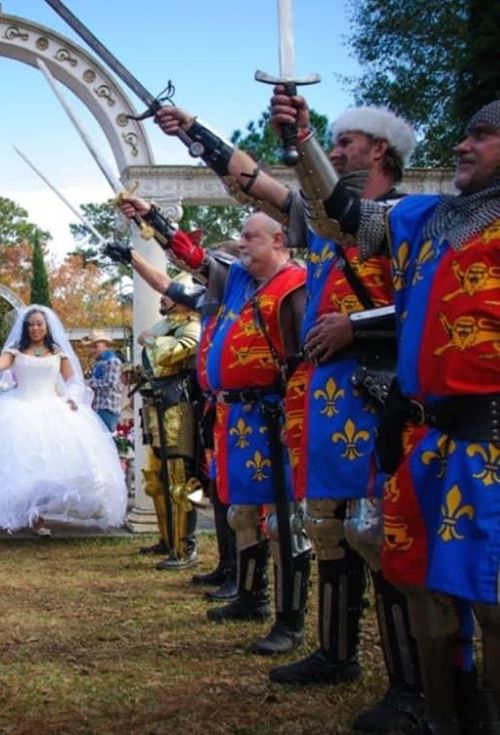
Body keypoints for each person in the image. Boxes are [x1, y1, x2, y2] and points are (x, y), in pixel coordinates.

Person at [149, 102, 426, 726]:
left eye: (348, 143)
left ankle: (412, 683)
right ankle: (334, 650)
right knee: (327, 526)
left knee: (378, 532)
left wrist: (356, 324)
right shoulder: (324, 223)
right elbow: (253, 182)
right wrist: (194, 133)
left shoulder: (409, 218)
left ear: (380, 151)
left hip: (378, 390)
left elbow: (424, 300)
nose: (337, 152)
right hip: (325, 398)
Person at [272, 90, 500, 733]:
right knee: (421, 582)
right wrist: (305, 143)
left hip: (495, 437)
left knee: (494, 599)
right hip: (428, 437)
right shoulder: (428, 218)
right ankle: (446, 719)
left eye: (483, 136)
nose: (463, 145)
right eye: (466, 134)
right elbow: (341, 216)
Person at [117, 201, 310, 656]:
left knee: (284, 523)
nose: (240, 244)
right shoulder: (240, 282)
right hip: (235, 415)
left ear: (279, 240)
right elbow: (192, 259)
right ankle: (249, 595)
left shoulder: (295, 285)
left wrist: (298, 415)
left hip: (276, 414)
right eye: (240, 238)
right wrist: (152, 220)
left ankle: (290, 618)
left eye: (250, 237)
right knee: (240, 512)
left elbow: (304, 356)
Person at [0, 305, 128, 537]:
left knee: (49, 466)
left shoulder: (57, 351)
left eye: (39, 324)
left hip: (52, 408)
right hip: (19, 408)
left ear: (47, 326)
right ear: (25, 328)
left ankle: (40, 515)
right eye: (31, 325)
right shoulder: (17, 350)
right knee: (20, 466)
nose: (35, 328)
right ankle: (26, 517)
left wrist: (72, 397)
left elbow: (74, 381)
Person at [122, 274, 204, 571]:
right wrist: (136, 371)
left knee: (181, 480)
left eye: (169, 293)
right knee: (156, 480)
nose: (162, 297)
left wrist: (151, 340)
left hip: (179, 407)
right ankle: (167, 539)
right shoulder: (164, 325)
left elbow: (172, 355)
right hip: (155, 405)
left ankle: (185, 546)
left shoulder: (192, 325)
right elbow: (155, 363)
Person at [85, 330, 124, 431]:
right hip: (98, 406)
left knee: (106, 437)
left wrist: (90, 383)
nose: (93, 350)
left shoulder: (112, 361)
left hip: (107, 407)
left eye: (96, 346)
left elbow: (110, 383)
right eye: (91, 347)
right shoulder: (99, 362)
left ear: (105, 345)